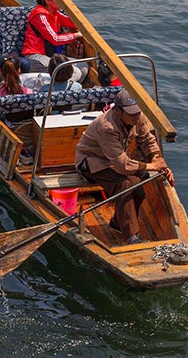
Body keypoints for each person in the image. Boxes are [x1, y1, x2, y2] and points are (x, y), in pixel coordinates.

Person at [74, 89, 174, 243]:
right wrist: (151, 166)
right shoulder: (106, 126)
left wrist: (158, 162)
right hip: (92, 163)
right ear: (118, 111)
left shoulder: (138, 117)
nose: (136, 116)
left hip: (114, 161)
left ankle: (117, 223)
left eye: (137, 112)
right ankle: (131, 236)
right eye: (131, 114)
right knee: (124, 185)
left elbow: (147, 140)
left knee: (138, 188)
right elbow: (122, 165)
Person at [21, 0, 85, 79]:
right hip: (36, 56)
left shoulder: (54, 12)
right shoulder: (40, 15)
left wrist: (71, 10)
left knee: (83, 66)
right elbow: (55, 39)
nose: (61, 1)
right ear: (48, 1)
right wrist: (76, 35)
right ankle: (58, 86)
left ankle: (65, 85)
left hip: (51, 55)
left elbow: (72, 23)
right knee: (75, 72)